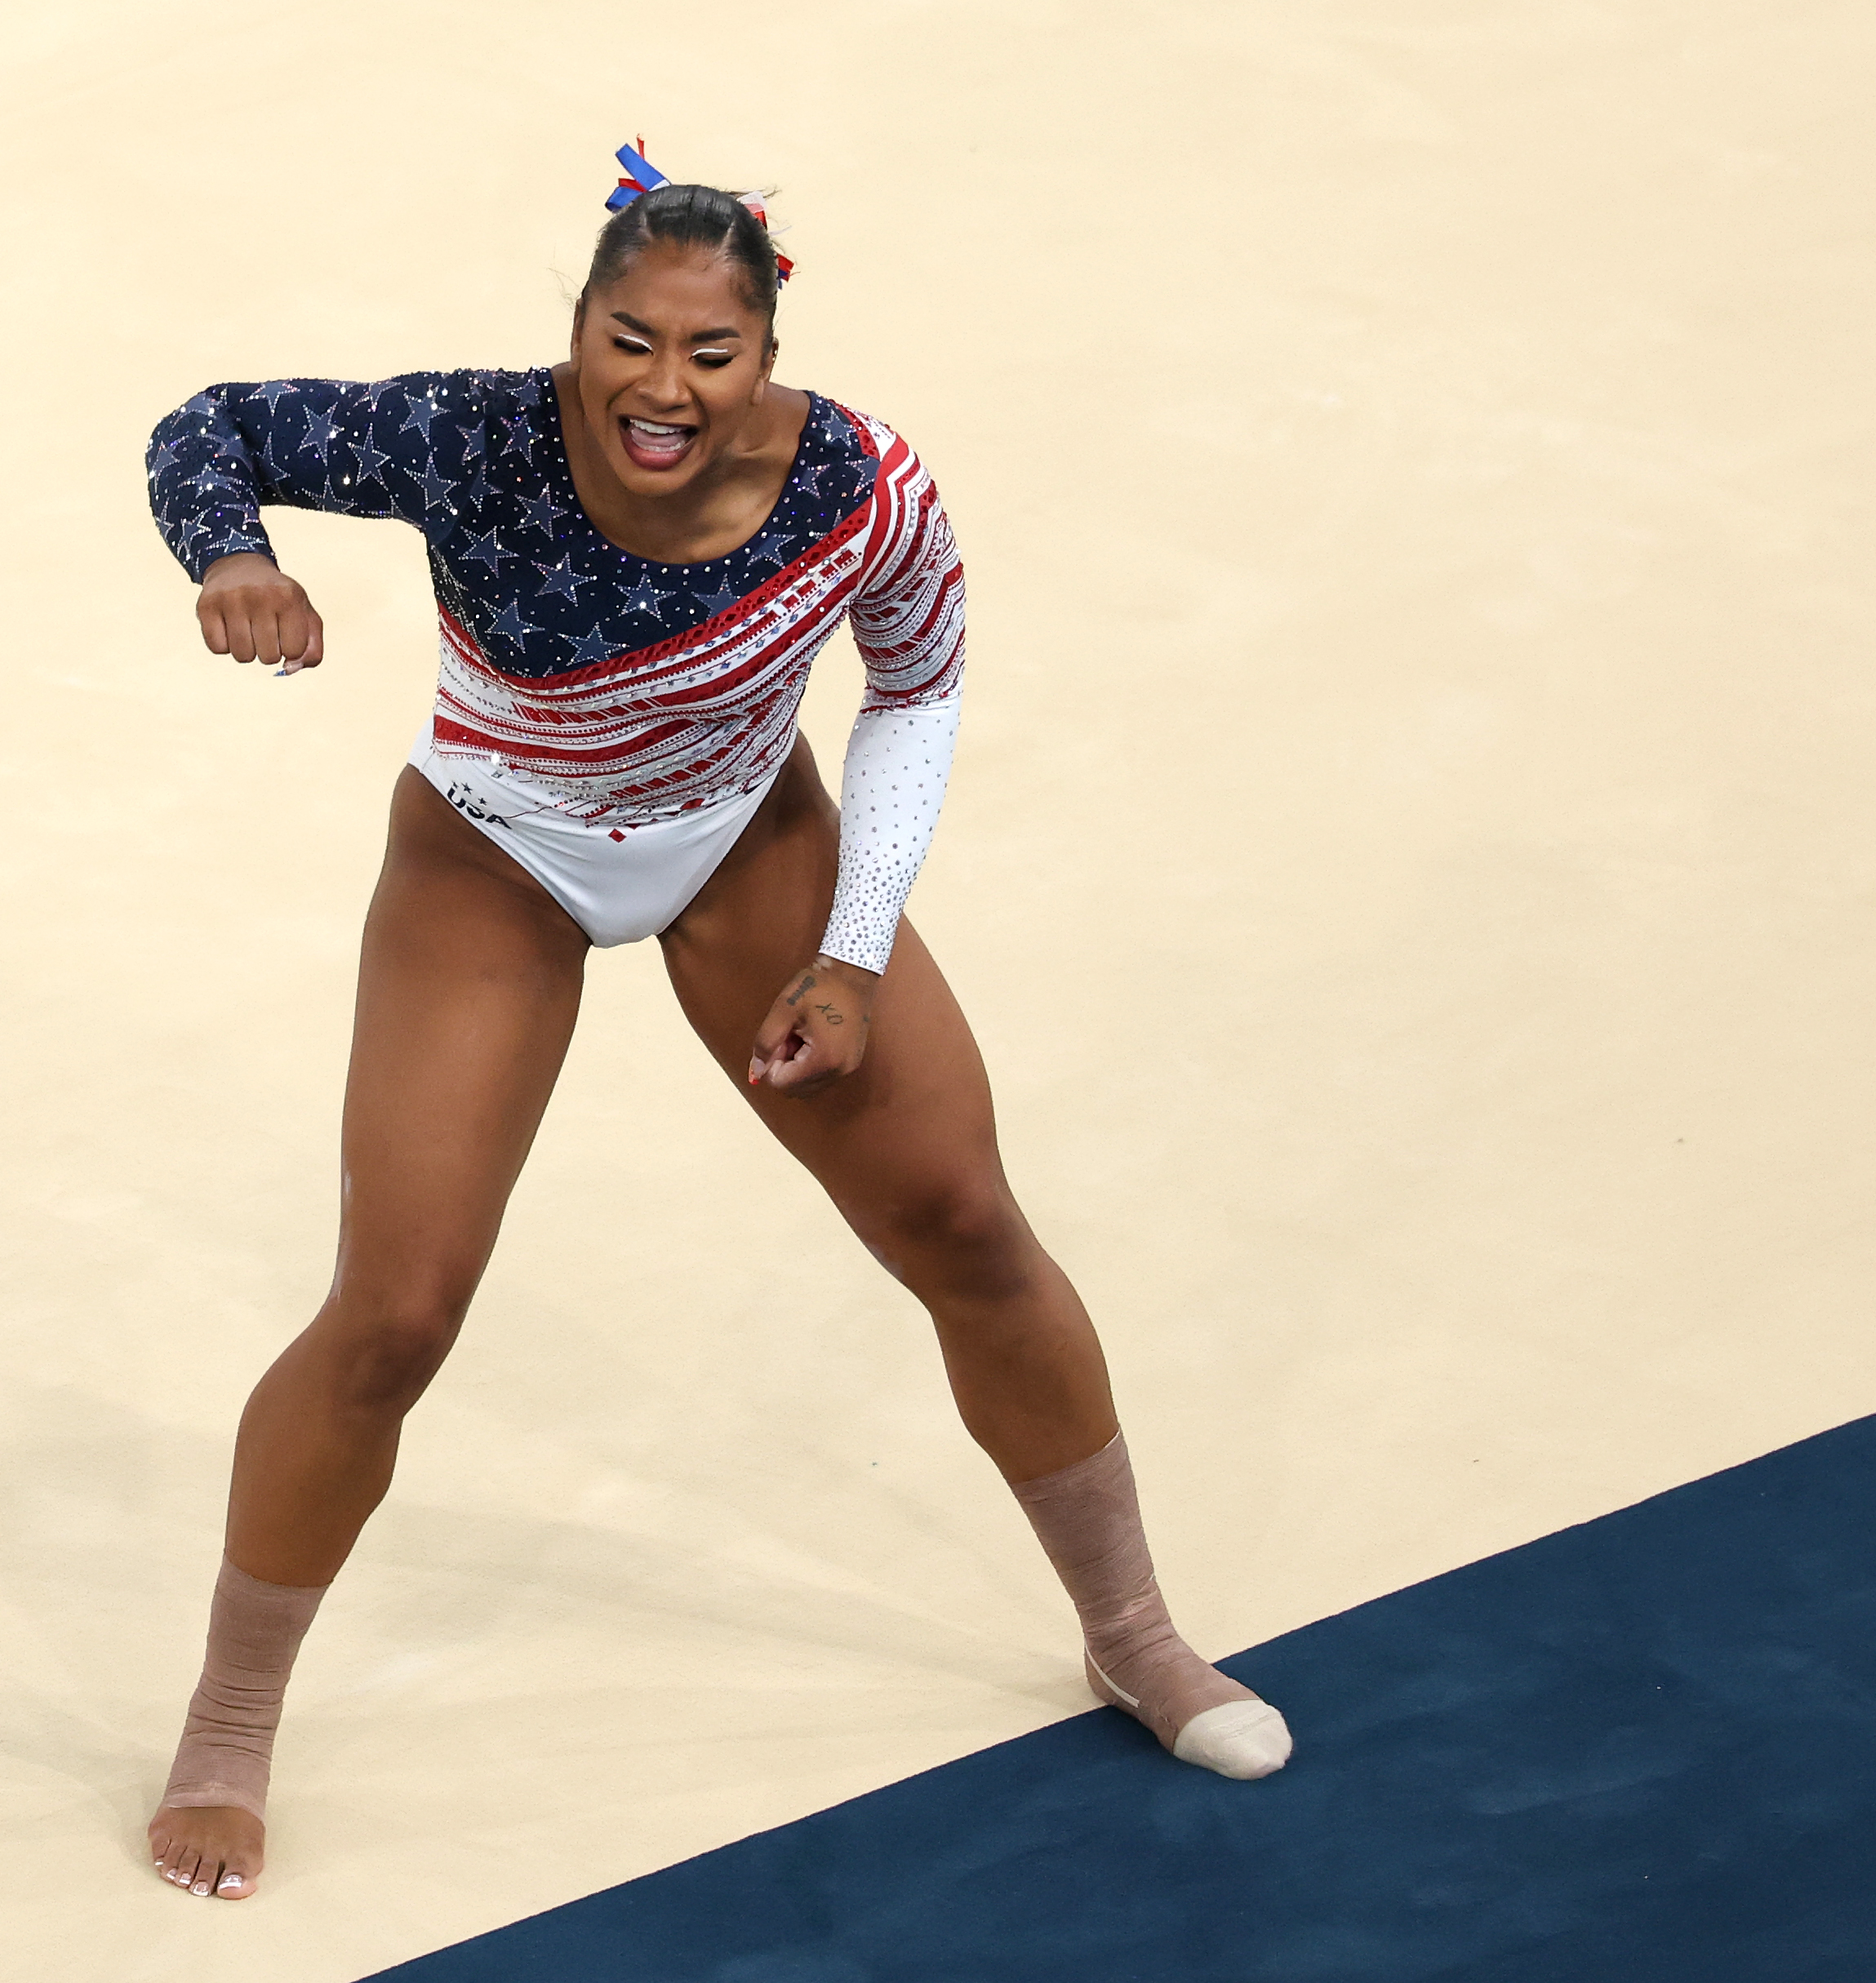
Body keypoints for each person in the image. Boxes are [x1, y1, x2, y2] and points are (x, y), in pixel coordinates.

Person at [140, 143, 1291, 1901]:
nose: (659, 391)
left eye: (707, 353)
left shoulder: (859, 483)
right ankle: (226, 1732)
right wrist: (231, 559)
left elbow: (917, 682)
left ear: (765, 353)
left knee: (970, 1223)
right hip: (498, 856)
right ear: (579, 328)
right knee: (394, 1318)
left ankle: (1133, 1633)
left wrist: (854, 945)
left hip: (749, 833)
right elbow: (205, 424)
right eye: (625, 341)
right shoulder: (472, 439)